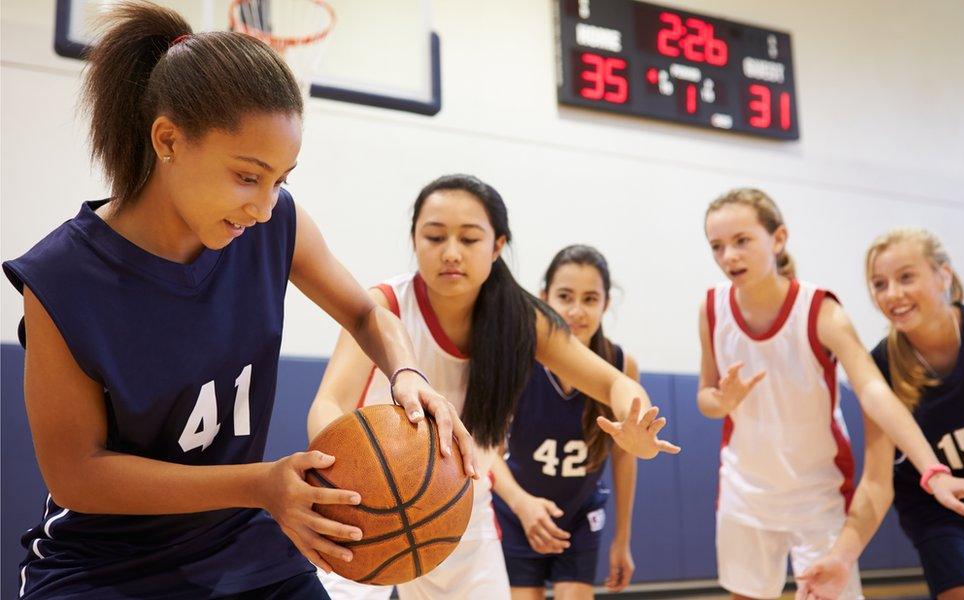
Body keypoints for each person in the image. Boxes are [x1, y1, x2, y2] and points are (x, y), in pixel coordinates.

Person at [2, 3, 474, 598]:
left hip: (241, 542)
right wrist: (260, 485)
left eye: (282, 179)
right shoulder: (62, 279)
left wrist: (406, 371)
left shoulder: (274, 227)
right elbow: (77, 476)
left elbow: (367, 312)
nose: (266, 204)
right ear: (168, 139)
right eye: (249, 176)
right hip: (105, 563)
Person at [307, 174, 678, 599]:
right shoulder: (384, 304)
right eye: (434, 236)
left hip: (460, 509)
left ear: (497, 245)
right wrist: (349, 477)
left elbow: (613, 380)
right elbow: (328, 402)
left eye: (468, 239)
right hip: (367, 505)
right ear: (414, 239)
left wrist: (637, 426)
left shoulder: (520, 319)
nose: (450, 253)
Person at [697, 189, 964, 600]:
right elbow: (706, 398)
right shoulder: (712, 307)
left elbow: (874, 392)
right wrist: (722, 402)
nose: (729, 255)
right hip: (745, 490)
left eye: (742, 240)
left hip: (816, 492)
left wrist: (931, 468)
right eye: (717, 246)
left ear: (779, 238)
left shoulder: (820, 310)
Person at [797, 228, 964, 600]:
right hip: (934, 508)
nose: (892, 294)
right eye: (879, 284)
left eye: (906, 277)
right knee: (960, 590)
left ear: (943, 274)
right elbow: (878, 481)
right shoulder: (880, 365)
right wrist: (842, 558)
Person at [491, 245, 638, 600]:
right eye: (565, 296)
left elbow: (624, 455)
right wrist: (520, 502)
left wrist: (623, 539)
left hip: (580, 515)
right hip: (518, 511)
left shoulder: (620, 364)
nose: (576, 310)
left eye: (590, 299)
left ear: (605, 304)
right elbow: (487, 449)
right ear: (544, 299)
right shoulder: (517, 359)